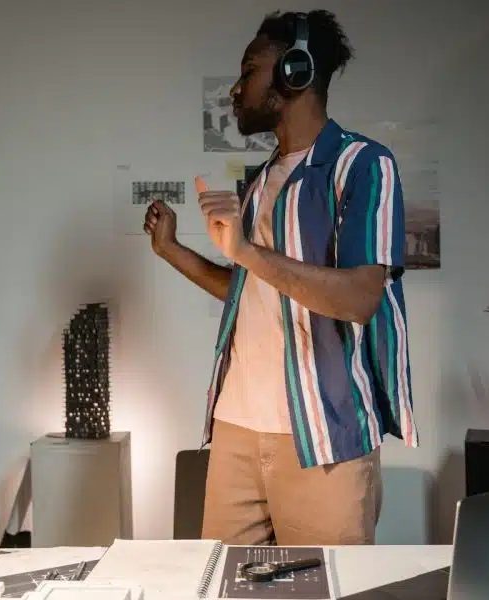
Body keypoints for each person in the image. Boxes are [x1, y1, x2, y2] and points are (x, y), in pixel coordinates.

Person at [143, 9, 415, 546]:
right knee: (224, 585)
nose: (236, 89)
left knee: (327, 587)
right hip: (235, 431)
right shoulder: (261, 180)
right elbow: (252, 293)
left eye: (248, 71)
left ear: (296, 71)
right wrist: (171, 250)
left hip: (322, 436)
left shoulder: (364, 164)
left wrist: (246, 250)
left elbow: (360, 297)